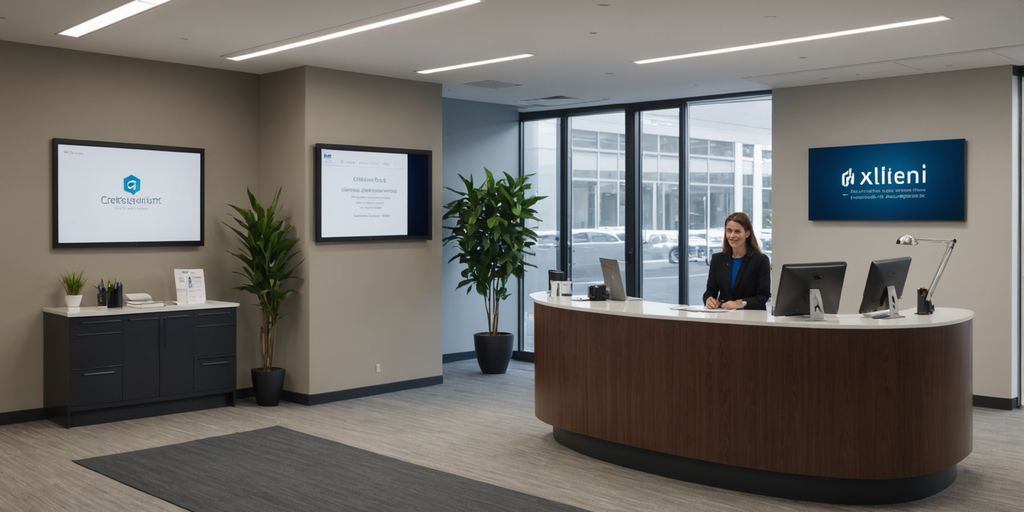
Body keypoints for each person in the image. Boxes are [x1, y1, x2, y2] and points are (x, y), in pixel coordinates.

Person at [703, 212, 771, 310]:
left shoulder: (761, 260)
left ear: (747, 233)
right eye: (729, 231)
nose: (732, 235)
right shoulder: (717, 259)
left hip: (751, 318)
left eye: (737, 231)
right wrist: (708, 299)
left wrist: (740, 303)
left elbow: (763, 296)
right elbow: (710, 291)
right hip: (724, 317)